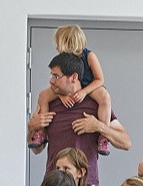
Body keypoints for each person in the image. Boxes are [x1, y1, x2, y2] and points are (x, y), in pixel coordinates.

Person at [26, 51, 133, 186]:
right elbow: (37, 149)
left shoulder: (97, 105)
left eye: (56, 76)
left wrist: (99, 126)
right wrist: (31, 127)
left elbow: (126, 143)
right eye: (51, 75)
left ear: (74, 77)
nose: (51, 81)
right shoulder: (48, 103)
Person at [31, 26, 113, 156]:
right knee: (44, 95)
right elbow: (57, 82)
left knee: (105, 97)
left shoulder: (89, 56)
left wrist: (84, 92)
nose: (56, 48)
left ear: (68, 43)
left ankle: (103, 137)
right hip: (67, 90)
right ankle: (41, 132)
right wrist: (61, 95)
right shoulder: (62, 61)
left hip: (88, 86)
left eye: (58, 44)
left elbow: (99, 79)